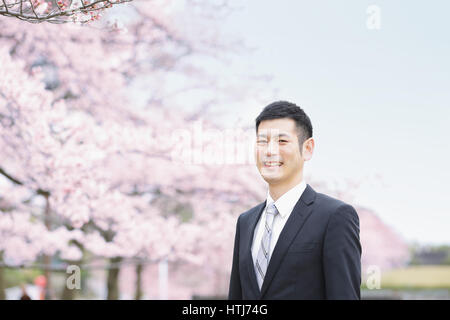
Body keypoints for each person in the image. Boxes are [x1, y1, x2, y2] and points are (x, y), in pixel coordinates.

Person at [228, 101, 362, 300]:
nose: (270, 151)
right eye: (262, 141)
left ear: (307, 148)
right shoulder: (246, 222)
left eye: (282, 141)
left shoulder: (334, 217)